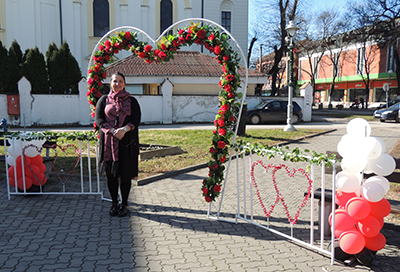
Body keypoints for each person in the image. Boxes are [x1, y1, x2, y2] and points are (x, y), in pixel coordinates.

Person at [95, 72, 141, 217]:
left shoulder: (132, 101)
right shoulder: (103, 100)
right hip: (109, 144)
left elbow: (136, 118)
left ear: (125, 84)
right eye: (115, 81)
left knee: (125, 175)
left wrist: (124, 130)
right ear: (110, 83)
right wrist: (113, 131)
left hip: (127, 143)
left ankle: (124, 204)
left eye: (121, 81)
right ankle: (114, 202)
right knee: (111, 175)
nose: (118, 84)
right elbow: (99, 119)